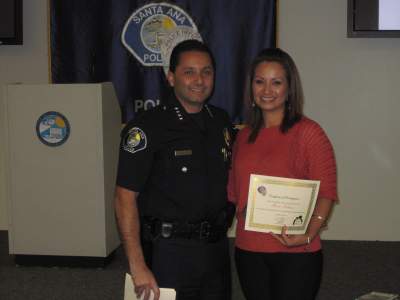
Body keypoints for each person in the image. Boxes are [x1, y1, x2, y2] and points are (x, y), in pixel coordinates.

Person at [114, 39, 235, 300]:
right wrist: (138, 266)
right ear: (171, 77)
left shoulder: (221, 122)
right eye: (189, 72)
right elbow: (124, 198)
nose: (199, 80)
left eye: (206, 71)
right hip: (169, 252)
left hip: (216, 249)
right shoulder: (147, 127)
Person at [228, 48, 338, 300]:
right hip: (248, 250)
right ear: (251, 88)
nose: (267, 90)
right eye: (260, 81)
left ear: (289, 88)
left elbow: (327, 192)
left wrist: (309, 232)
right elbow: (233, 190)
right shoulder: (243, 136)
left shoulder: (309, 133)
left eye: (276, 82)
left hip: (297, 252)